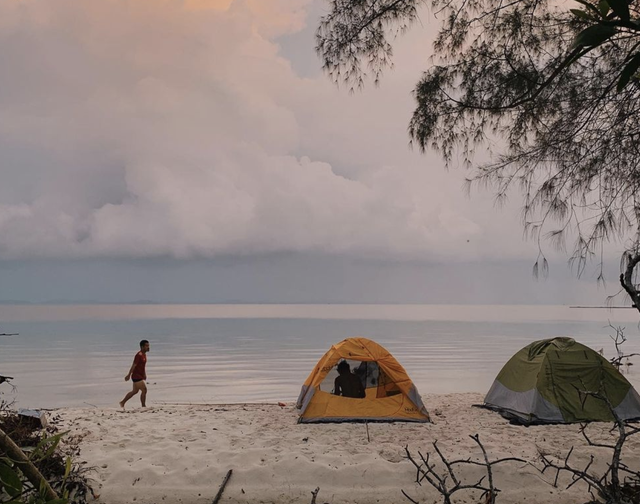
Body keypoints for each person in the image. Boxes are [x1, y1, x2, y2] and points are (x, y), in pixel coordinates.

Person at [119, 340, 150, 409]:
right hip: (136, 376)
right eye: (146, 346)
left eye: (148, 346)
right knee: (144, 390)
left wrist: (144, 374)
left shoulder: (144, 354)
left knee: (134, 391)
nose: (148, 347)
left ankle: (122, 402)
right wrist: (128, 375)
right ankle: (143, 406)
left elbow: (142, 366)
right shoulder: (139, 355)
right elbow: (134, 365)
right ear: (142, 347)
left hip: (140, 375)